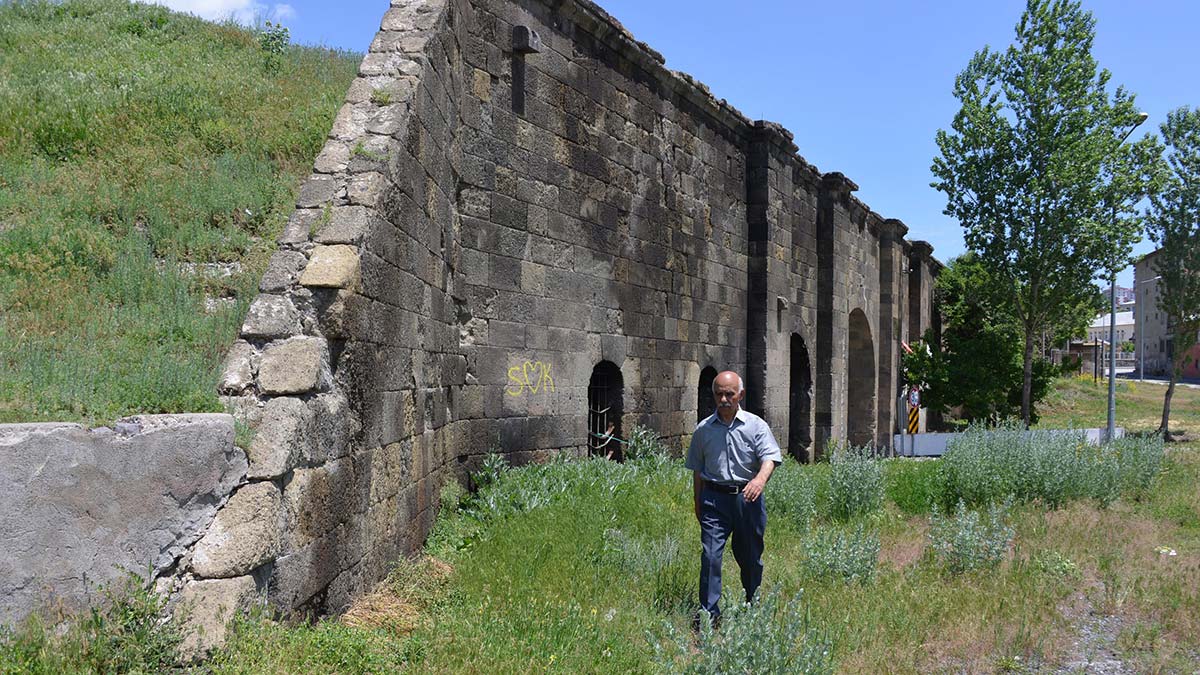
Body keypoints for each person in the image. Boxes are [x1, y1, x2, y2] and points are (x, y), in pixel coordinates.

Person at [685, 370, 782, 626]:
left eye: (729, 394)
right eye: (719, 394)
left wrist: (759, 480)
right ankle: (708, 615)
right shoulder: (703, 430)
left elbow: (770, 458)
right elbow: (697, 470)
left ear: (741, 395)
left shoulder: (755, 426)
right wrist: (698, 504)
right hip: (714, 500)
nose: (724, 399)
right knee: (710, 556)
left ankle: (752, 603)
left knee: (750, 557)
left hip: (746, 500)